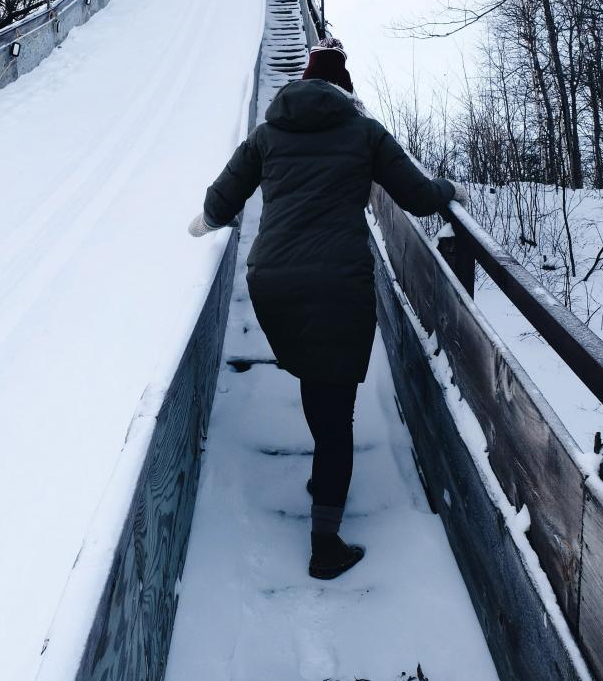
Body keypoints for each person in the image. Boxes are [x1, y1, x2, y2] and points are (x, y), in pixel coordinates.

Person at [188, 38, 463, 579]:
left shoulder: (267, 134)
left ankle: (323, 479)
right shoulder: (364, 133)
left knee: (316, 379)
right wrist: (450, 189)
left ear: (301, 83)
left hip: (274, 285)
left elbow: (220, 204)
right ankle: (324, 545)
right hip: (338, 287)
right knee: (336, 415)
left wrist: (201, 224)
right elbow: (419, 197)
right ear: (346, 92)